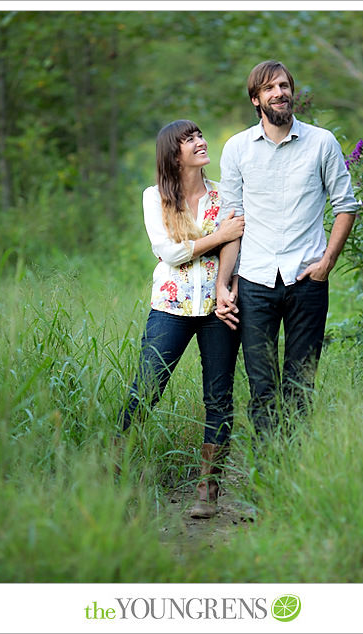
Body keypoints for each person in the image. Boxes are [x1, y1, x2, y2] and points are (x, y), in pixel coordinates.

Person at [215, 60, 361, 446]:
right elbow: (232, 222)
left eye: (284, 86)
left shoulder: (322, 142)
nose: (279, 93)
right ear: (255, 100)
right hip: (255, 282)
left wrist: (327, 262)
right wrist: (224, 283)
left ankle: (293, 478)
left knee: (300, 386)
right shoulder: (237, 149)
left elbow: (346, 205)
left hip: (307, 280)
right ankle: (266, 482)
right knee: (262, 388)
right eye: (269, 88)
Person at [117, 119, 244, 519]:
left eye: (201, 136)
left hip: (217, 308)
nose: (201, 143)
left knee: (219, 398)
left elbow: (238, 244)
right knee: (146, 388)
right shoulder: (154, 197)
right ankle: (114, 469)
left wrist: (229, 284)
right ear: (174, 154)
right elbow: (168, 253)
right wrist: (218, 237)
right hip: (169, 308)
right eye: (190, 140)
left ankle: (208, 489)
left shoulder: (226, 195)